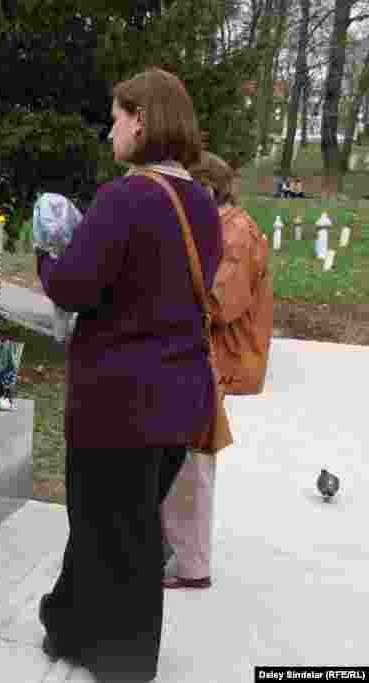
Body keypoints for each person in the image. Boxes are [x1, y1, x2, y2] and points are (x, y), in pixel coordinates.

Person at [35, 67, 223, 683]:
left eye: (115, 116)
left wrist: (46, 249)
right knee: (123, 522)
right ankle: (71, 626)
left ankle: (123, 658)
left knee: (115, 529)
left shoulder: (127, 196)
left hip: (118, 401)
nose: (109, 128)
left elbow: (75, 286)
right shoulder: (201, 202)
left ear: (140, 119)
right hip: (177, 398)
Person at [162, 151, 273, 590]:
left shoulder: (236, 234)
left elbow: (217, 302)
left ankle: (192, 566)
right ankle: (180, 554)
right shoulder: (226, 228)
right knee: (186, 458)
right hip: (205, 358)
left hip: (213, 362)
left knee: (194, 461)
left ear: (207, 191)